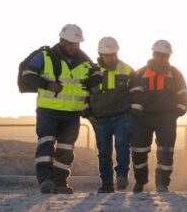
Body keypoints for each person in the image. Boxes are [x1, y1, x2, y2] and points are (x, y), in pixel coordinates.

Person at [20, 24, 102, 194]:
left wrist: (93, 84)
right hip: (48, 110)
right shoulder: (45, 56)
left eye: (77, 43)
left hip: (72, 113)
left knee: (66, 150)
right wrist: (47, 84)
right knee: (46, 145)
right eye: (72, 43)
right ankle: (45, 180)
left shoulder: (84, 60)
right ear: (63, 41)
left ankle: (60, 183)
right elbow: (27, 75)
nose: (75, 47)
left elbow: (96, 74)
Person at [129, 39, 187, 193]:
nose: (163, 59)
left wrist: (175, 114)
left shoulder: (175, 74)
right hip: (143, 118)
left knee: (165, 152)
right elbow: (131, 94)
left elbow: (184, 97)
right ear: (154, 54)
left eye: (166, 56)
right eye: (160, 55)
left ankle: (162, 184)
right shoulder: (140, 73)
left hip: (166, 119)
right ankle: (140, 181)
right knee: (138, 152)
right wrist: (134, 113)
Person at [85, 36, 135, 193]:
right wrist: (87, 112)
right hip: (100, 118)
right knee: (104, 151)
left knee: (122, 145)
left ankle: (121, 176)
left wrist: (132, 113)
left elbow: (136, 93)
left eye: (114, 54)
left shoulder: (127, 70)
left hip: (123, 116)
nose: (111, 57)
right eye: (108, 54)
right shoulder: (91, 71)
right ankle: (106, 184)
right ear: (100, 54)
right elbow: (82, 92)